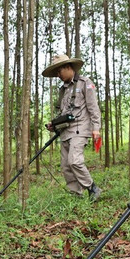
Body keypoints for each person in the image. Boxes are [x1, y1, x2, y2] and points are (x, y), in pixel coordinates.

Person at [43, 53, 103, 201]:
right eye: (56, 72)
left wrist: (96, 128)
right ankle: (76, 194)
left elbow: (93, 107)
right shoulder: (63, 89)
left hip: (80, 128)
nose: (58, 75)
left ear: (68, 67)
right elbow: (64, 112)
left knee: (74, 161)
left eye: (59, 71)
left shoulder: (84, 83)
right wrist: (54, 124)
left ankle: (92, 188)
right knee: (66, 166)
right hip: (65, 132)